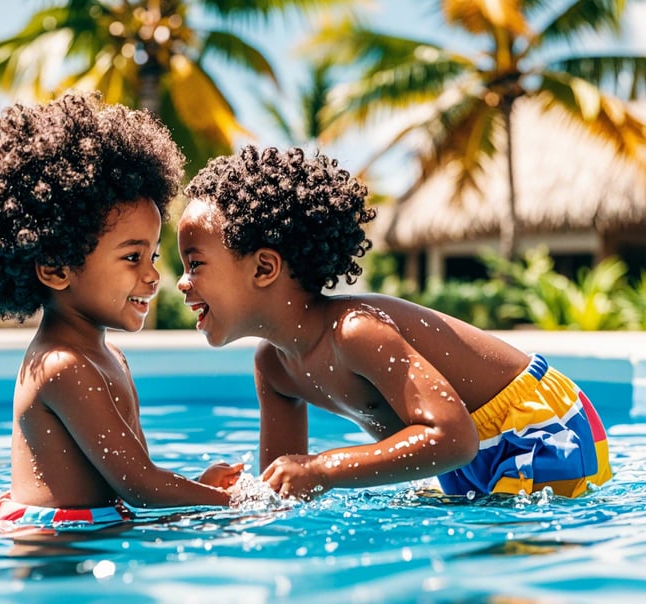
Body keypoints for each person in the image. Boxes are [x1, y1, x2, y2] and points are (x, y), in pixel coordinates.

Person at [175, 144, 612, 501]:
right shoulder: (273, 367)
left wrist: (325, 467)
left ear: (264, 268)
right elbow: (287, 489)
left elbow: (452, 437)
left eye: (195, 264)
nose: (181, 283)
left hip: (536, 425)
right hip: (462, 455)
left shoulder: (354, 332)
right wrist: (221, 499)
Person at [0, 91, 242, 528]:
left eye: (153, 256)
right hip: (54, 542)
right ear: (56, 268)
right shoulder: (62, 366)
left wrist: (199, 485)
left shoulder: (110, 357)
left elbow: (132, 476)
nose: (153, 276)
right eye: (131, 257)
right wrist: (233, 505)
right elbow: (139, 486)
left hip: (98, 522)